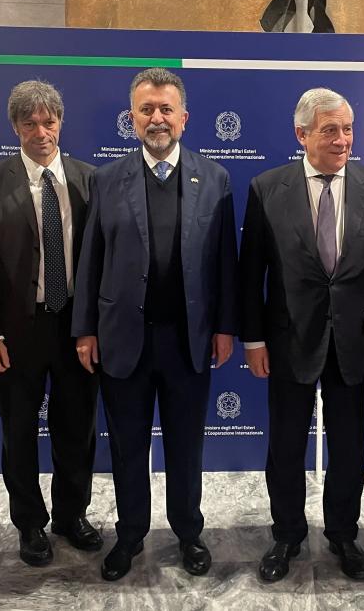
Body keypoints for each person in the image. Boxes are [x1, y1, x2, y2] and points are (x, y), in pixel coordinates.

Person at [72, 68, 237, 581]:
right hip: (124, 340)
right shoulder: (106, 179)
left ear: (184, 118)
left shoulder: (215, 178)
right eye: (147, 109)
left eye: (166, 109)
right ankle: (130, 535)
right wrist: (85, 329)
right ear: (132, 118)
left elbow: (224, 262)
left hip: (189, 340)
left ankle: (189, 532)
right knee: (127, 447)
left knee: (187, 447)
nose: (157, 118)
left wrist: (225, 326)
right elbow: (90, 260)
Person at [239, 87, 364, 582]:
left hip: (355, 341)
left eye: (348, 129)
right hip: (288, 340)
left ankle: (343, 534)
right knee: (286, 445)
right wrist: (253, 340)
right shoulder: (267, 188)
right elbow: (251, 272)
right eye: (330, 130)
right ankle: (287, 534)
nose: (342, 139)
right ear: (302, 134)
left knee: (348, 447)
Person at [0, 80, 101, 567]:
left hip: (75, 327)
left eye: (49, 121)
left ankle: (71, 514)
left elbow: (101, 262)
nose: (41, 132)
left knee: (78, 428)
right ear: (15, 128)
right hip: (14, 332)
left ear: (60, 123)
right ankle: (29, 523)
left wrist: (94, 326)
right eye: (30, 123)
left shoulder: (90, 180)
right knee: (18, 432)